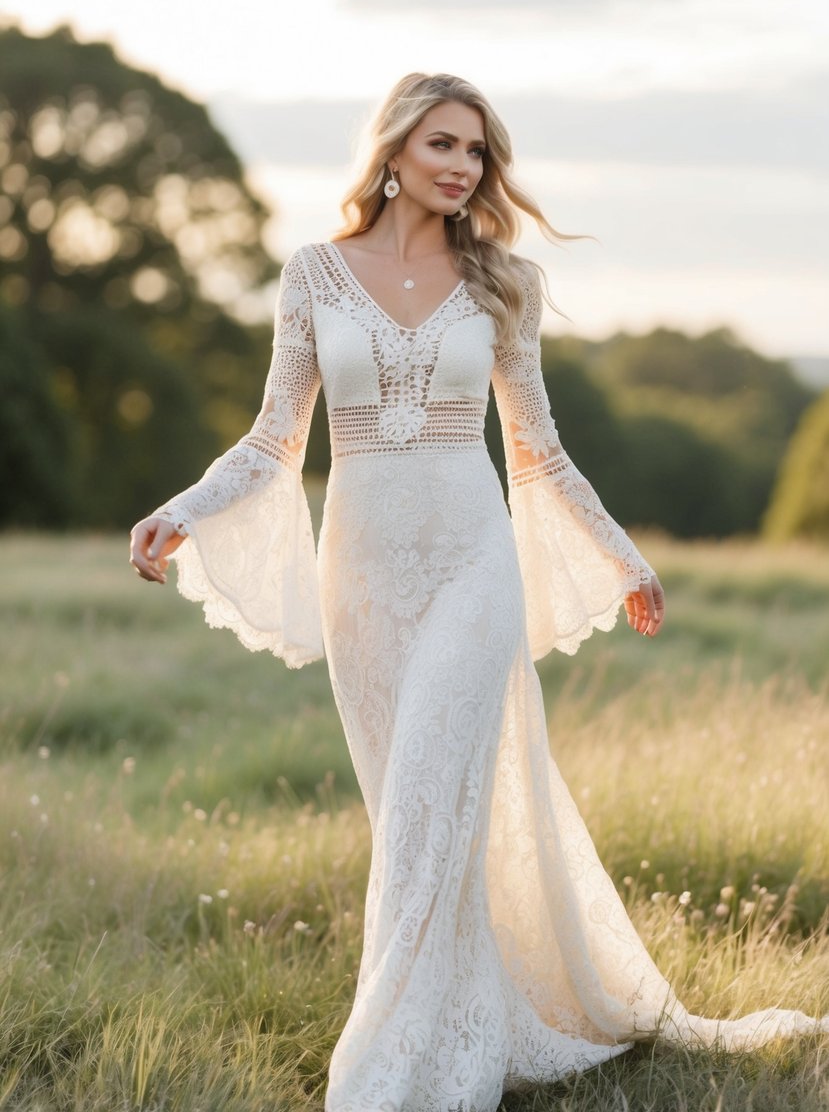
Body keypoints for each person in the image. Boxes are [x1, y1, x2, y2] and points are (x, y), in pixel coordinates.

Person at [129, 72, 827, 1112]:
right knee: (410, 819)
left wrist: (621, 553)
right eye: (445, 144)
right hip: (360, 579)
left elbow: (537, 449)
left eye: (478, 153)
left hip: (470, 563)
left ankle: (391, 1072)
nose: (462, 167)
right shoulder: (314, 274)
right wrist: (184, 506)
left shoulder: (502, 283)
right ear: (395, 148)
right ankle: (471, 1017)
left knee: (426, 804)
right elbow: (277, 436)